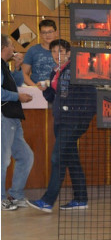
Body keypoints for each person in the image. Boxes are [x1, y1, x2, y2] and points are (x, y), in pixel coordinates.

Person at [30, 40, 96, 212]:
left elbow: (92, 96)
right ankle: (81, 198)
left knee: (57, 157)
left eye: (60, 51)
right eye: (53, 52)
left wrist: (84, 119)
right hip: (61, 119)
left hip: (73, 121)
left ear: (68, 53)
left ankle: (48, 200)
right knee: (71, 158)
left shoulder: (78, 69)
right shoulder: (55, 72)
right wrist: (45, 90)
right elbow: (53, 98)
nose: (56, 55)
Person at [1, 34, 35, 211]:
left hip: (12, 117)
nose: (14, 50)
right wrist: (18, 97)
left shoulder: (4, 66)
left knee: (26, 156)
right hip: (4, 117)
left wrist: (19, 67)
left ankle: (15, 194)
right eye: (11, 46)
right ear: (3, 47)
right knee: (3, 160)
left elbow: (15, 83)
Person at [22, 19, 58, 89]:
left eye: (50, 32)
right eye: (44, 32)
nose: (47, 35)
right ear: (40, 34)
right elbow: (23, 74)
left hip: (57, 91)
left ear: (56, 33)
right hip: (37, 90)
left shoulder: (63, 51)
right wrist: (35, 87)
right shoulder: (33, 50)